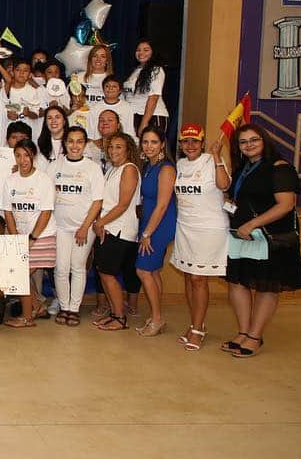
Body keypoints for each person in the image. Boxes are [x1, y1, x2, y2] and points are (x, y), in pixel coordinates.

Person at [221, 124, 301, 358]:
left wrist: (252, 224)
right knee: (238, 282)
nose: (249, 145)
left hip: (268, 236)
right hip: (241, 234)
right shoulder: (243, 168)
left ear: (264, 141)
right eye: (243, 142)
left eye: (253, 140)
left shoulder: (280, 168)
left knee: (266, 285)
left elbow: (286, 204)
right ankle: (243, 331)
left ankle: (255, 336)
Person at [170, 124, 230, 351]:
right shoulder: (180, 164)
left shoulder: (210, 160)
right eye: (186, 141)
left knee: (198, 279)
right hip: (185, 227)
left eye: (195, 141)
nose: (190, 145)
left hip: (209, 229)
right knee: (188, 276)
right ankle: (197, 323)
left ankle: (197, 330)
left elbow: (224, 185)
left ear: (202, 142)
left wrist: (216, 156)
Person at [49, 127, 104, 326]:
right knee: (61, 268)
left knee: (78, 267)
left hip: (84, 227)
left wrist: (84, 227)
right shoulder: (55, 166)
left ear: (85, 144)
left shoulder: (92, 168)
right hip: (60, 227)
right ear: (65, 143)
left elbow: (97, 202)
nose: (75, 146)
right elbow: (45, 191)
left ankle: (74, 308)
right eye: (71, 141)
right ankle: (64, 307)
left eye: (79, 141)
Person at [0, 139, 57, 328]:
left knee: (21, 275)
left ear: (33, 156)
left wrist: (32, 237)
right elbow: (7, 211)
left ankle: (27, 318)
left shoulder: (43, 180)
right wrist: (16, 236)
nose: (22, 159)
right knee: (20, 273)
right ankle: (37, 307)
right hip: (21, 237)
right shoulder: (10, 180)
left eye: (26, 155)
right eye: (18, 155)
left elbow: (46, 212)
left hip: (42, 236)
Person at [91, 133, 141, 331]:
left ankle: (120, 318)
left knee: (108, 274)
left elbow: (123, 205)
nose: (113, 151)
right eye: (111, 147)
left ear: (128, 149)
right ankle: (114, 313)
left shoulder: (129, 170)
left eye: (119, 147)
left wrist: (100, 222)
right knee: (103, 273)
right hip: (108, 227)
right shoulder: (113, 169)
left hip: (120, 229)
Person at [133, 127, 177, 337]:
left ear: (162, 144)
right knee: (153, 271)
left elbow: (162, 205)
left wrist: (147, 233)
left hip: (158, 225)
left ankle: (157, 319)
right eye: (145, 142)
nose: (149, 146)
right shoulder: (149, 166)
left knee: (143, 271)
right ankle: (156, 315)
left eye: (153, 142)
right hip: (148, 223)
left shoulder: (166, 169)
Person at [122, 39, 169, 134]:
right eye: (138, 50)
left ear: (153, 52)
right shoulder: (135, 70)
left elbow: (153, 97)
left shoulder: (156, 70)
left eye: (146, 50)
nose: (141, 53)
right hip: (133, 115)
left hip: (152, 117)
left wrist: (144, 123)